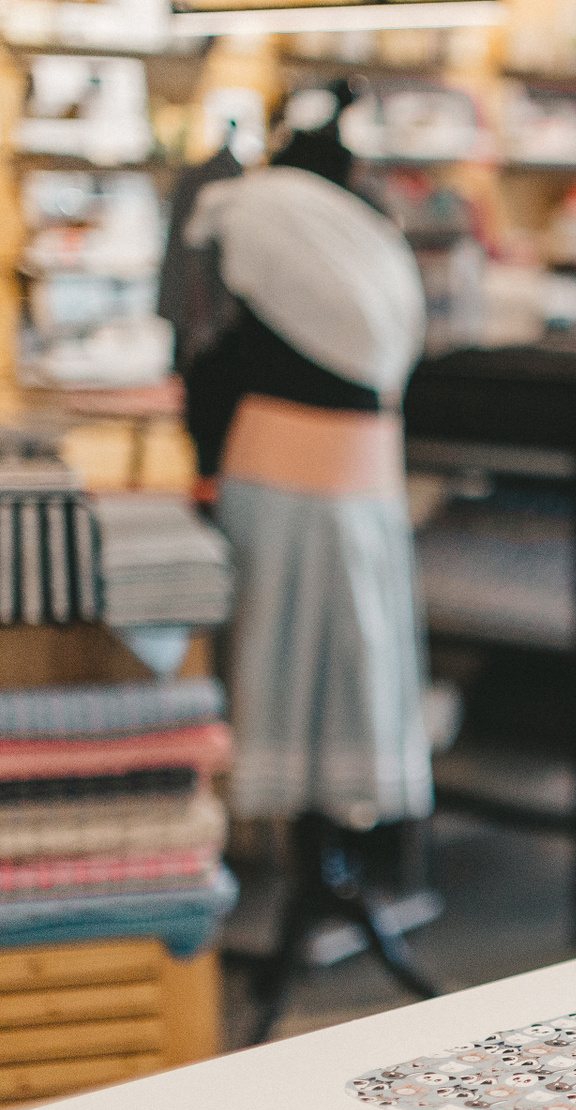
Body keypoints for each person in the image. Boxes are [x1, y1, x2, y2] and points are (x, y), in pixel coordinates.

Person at [173, 83, 435, 1035]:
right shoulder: (325, 222)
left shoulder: (266, 214)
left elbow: (208, 359)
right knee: (324, 674)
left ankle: (321, 877)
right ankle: (315, 877)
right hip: (325, 486)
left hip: (312, 484)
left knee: (314, 673)